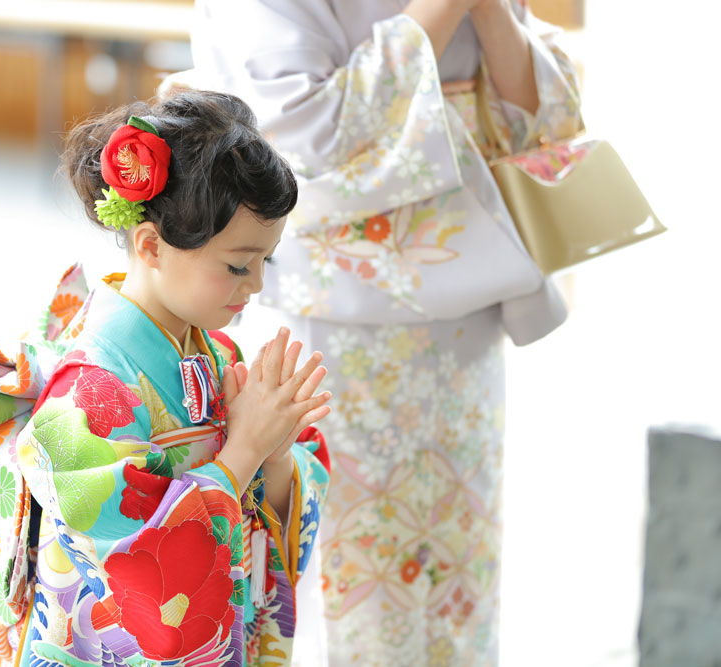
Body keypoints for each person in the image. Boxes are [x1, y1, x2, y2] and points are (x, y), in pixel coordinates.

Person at [176, 0, 585, 664]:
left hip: (466, 311)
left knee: (457, 567)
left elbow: (541, 121)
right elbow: (302, 137)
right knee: (344, 572)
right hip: (336, 312)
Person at [0, 90, 332, 667]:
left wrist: (275, 454)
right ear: (151, 245)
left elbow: (264, 527)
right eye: (238, 265)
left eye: (265, 261)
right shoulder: (87, 395)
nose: (257, 286)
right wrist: (242, 450)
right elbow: (146, 588)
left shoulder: (217, 353)